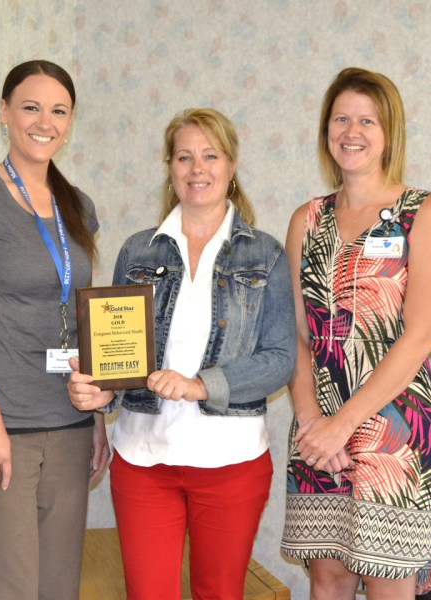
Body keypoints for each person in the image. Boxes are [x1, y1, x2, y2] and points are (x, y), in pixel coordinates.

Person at [68, 107, 296, 599]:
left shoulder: (267, 254)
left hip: (231, 462)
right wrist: (97, 396)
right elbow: (115, 356)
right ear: (170, 168)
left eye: (210, 156)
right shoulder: (137, 251)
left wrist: (201, 385)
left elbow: (281, 358)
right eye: (185, 156)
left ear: (231, 167)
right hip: (144, 459)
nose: (198, 168)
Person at [0, 60, 110, 600]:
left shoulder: (78, 206)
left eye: (59, 110)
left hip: (69, 426)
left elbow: (80, 314)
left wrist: (98, 412)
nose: (44, 121)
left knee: (59, 588)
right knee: (2, 589)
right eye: (30, 106)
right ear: (4, 112)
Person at [280, 67, 431, 600]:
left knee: (387, 581)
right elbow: (298, 338)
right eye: (341, 118)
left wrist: (344, 426)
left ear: (388, 132)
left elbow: (421, 336)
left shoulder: (425, 213)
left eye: (367, 120)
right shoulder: (306, 220)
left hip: (393, 434)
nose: (351, 131)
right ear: (325, 128)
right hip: (318, 435)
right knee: (328, 579)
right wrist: (315, 424)